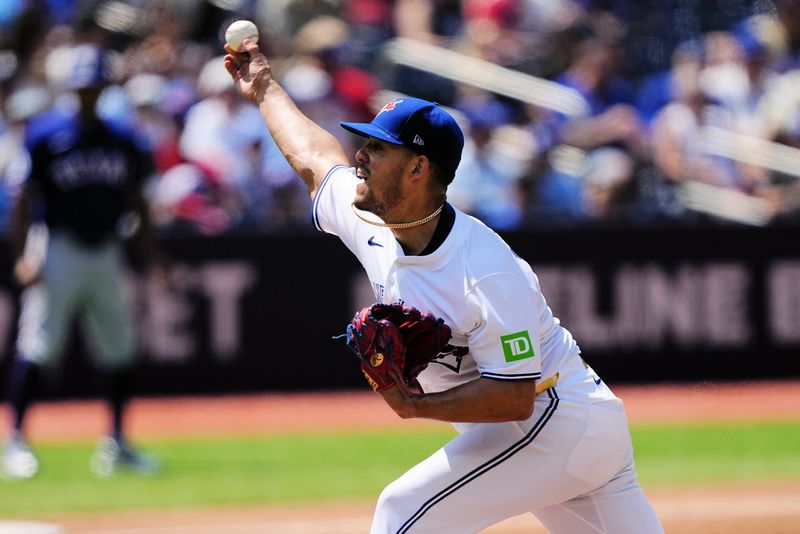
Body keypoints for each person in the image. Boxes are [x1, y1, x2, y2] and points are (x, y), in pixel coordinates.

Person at [224, 38, 664, 533]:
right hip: (561, 432)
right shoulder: (368, 217)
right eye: (364, 144)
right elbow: (313, 157)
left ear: (417, 168)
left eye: (377, 148)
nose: (360, 156)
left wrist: (417, 405)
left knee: (401, 512)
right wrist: (262, 86)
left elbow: (514, 395)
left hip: (554, 423)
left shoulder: (484, 269)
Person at [1, 44, 162, 479]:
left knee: (119, 346)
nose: (88, 94)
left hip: (107, 248)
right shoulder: (45, 133)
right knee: (38, 344)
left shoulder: (124, 137)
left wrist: (150, 257)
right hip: (57, 246)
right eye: (83, 86)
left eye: (95, 86)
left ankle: (117, 444)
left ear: (104, 87)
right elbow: (22, 197)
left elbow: (139, 202)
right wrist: (23, 255)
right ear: (71, 87)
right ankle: (15, 441)